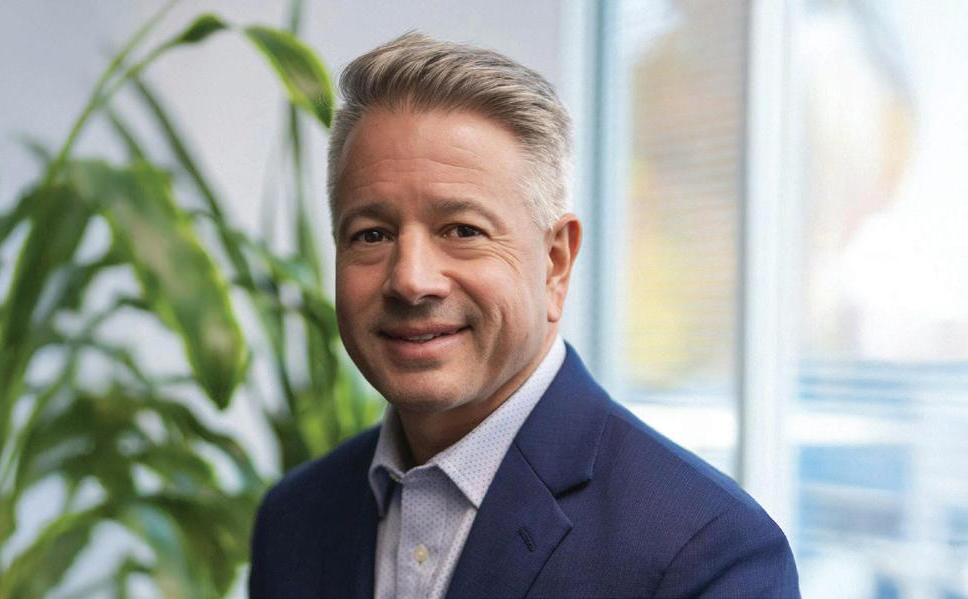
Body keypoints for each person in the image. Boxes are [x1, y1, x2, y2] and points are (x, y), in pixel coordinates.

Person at [249, 32, 800, 599]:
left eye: (463, 230)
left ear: (555, 263)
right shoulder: (293, 520)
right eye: (372, 234)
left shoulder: (705, 552)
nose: (410, 279)